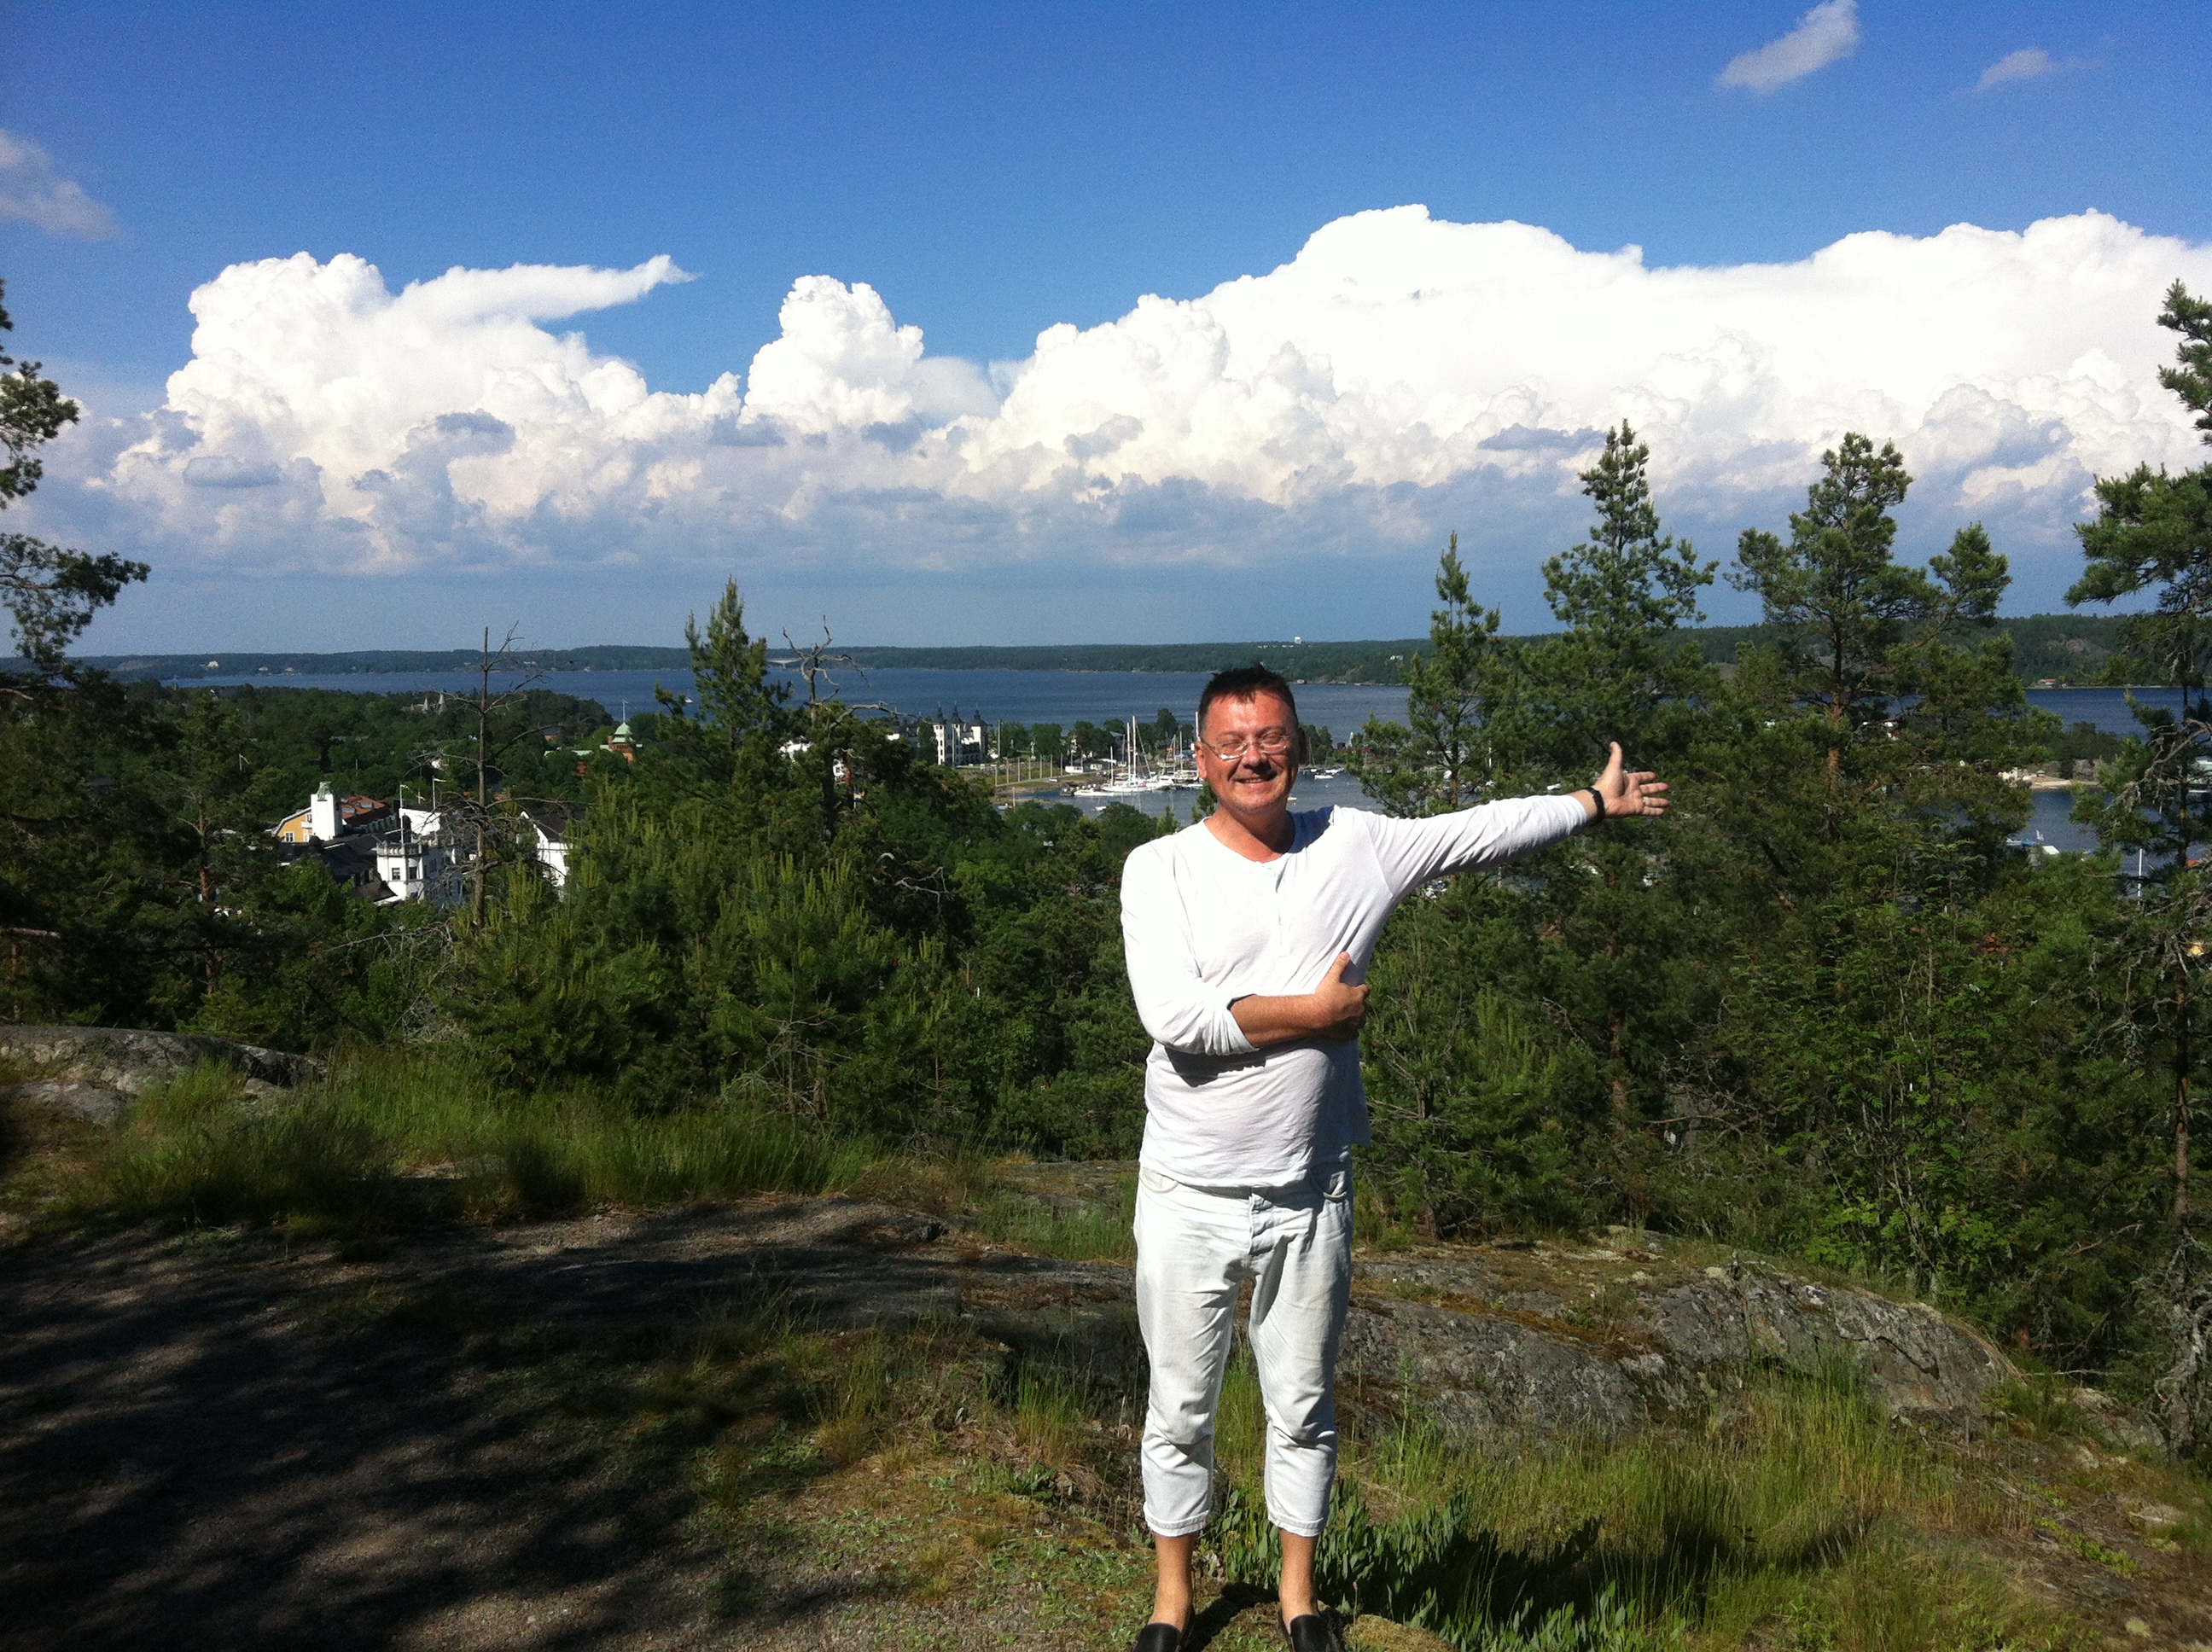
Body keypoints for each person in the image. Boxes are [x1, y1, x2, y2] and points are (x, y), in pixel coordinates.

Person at [1117, 664, 1668, 1652]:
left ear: (1299, 747)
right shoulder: (1157, 868)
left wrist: (1591, 803)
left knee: (1303, 1404)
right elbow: (1177, 1018)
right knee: (1180, 1406)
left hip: (1310, 1187)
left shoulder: (1356, 845)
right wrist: (1316, 1014)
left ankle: (1298, 1595)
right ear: (1200, 760)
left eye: (1271, 737)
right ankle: (1173, 1598)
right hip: (1188, 1191)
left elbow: (1479, 830)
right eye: (1233, 742)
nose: (1254, 757)